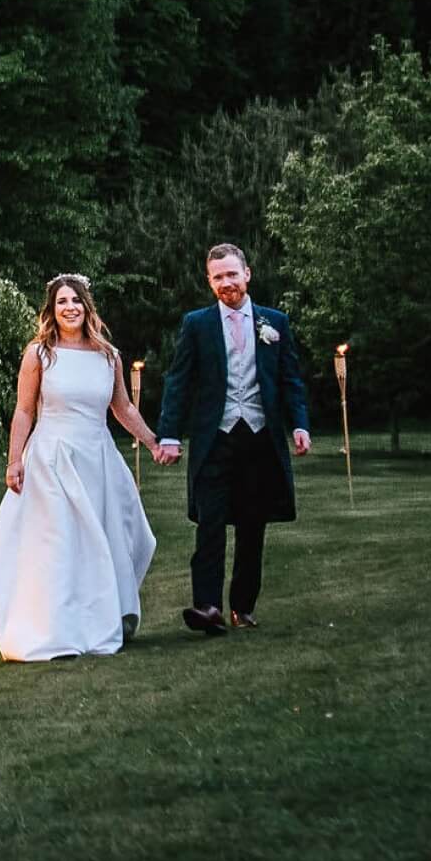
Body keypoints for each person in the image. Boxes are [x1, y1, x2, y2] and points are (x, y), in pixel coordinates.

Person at [0, 273, 163, 661]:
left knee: (108, 540)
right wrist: (15, 461)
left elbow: (123, 408)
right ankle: (56, 631)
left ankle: (103, 620)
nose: (70, 308)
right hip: (52, 458)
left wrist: (151, 440)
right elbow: (24, 410)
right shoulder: (39, 354)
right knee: (60, 544)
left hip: (97, 458)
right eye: (62, 301)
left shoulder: (107, 355)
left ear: (86, 306)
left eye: (76, 301)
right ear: (52, 309)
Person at [151, 243, 311, 635]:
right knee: (210, 523)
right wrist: (169, 433)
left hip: (259, 438)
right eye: (218, 277)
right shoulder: (197, 324)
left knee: (252, 525)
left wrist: (300, 424)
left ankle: (242, 606)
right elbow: (179, 382)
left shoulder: (275, 322)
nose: (227, 283)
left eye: (232, 274)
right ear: (209, 281)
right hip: (214, 439)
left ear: (247, 274)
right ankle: (208, 607)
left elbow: (290, 378)